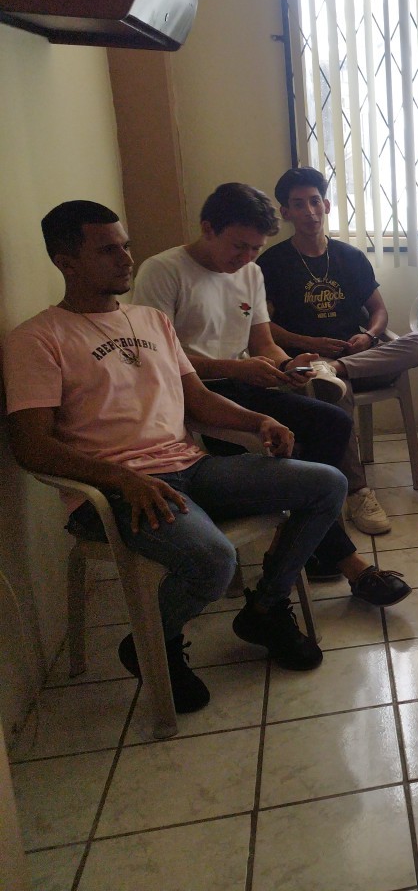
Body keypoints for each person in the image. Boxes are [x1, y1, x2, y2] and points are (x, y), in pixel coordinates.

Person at [5, 201, 347, 712]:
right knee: (214, 560)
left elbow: (198, 400)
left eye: (124, 245)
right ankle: (152, 641)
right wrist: (120, 479)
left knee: (326, 484)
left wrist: (259, 421)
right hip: (116, 492)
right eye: (107, 250)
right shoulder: (36, 339)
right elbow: (31, 446)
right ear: (65, 262)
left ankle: (266, 608)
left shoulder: (151, 321)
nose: (125, 258)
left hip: (190, 466)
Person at [132, 183, 410, 606]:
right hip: (190, 392)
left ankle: (304, 541)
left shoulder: (250, 273)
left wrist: (287, 365)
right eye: (238, 246)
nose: (246, 258)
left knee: (333, 422)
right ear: (208, 228)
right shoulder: (163, 271)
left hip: (243, 383)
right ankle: (341, 560)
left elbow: (262, 341)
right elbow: (159, 360)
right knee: (292, 455)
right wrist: (235, 368)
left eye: (255, 249)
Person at [258, 166, 418, 531]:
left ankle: (337, 370)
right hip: (309, 362)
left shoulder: (349, 256)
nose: (310, 211)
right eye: (299, 204)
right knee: (335, 391)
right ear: (286, 212)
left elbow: (380, 311)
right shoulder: (271, 263)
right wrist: (309, 344)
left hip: (358, 356)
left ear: (326, 205)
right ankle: (358, 492)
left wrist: (369, 336)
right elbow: (262, 326)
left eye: (315, 201)